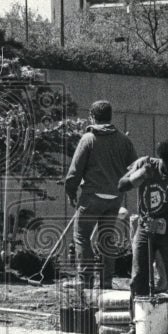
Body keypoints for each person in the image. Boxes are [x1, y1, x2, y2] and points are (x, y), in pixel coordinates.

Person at [117, 137, 168, 334]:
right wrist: (140, 176)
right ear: (161, 158)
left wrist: (161, 221)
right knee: (138, 276)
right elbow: (121, 185)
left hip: (167, 229)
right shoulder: (145, 164)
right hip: (143, 229)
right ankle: (137, 324)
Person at [64, 100, 138, 289]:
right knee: (106, 239)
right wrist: (122, 187)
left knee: (81, 237)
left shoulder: (88, 139)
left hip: (91, 197)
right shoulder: (124, 140)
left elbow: (74, 172)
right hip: (114, 198)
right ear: (110, 116)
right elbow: (136, 168)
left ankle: (84, 280)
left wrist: (71, 192)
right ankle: (106, 282)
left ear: (92, 116)